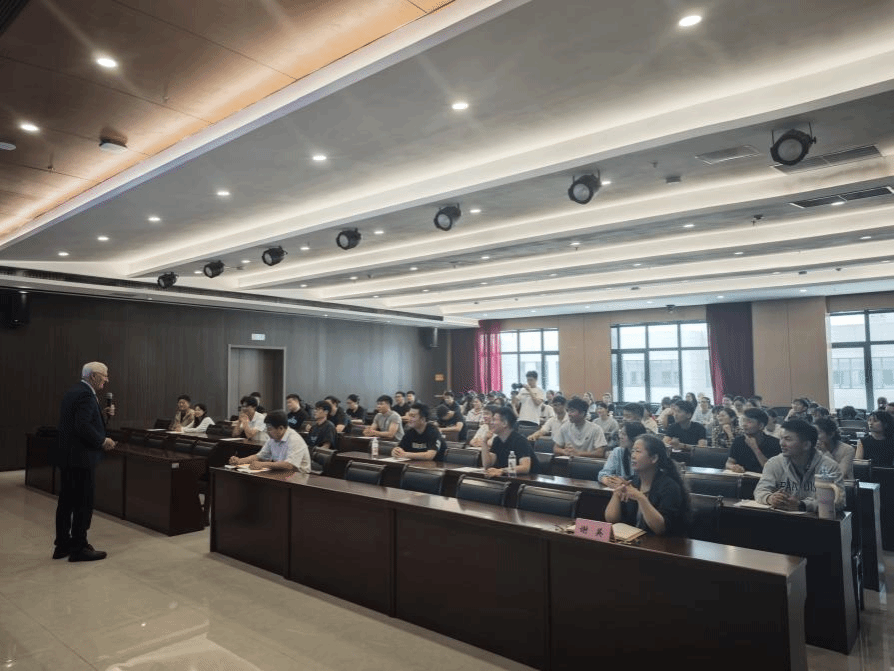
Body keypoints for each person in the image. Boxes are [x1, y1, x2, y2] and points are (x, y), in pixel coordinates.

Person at [51, 361, 117, 561]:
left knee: (66, 502)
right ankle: (79, 547)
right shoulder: (86, 395)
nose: (107, 379)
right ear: (93, 376)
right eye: (104, 375)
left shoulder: (74, 391)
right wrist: (102, 441)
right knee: (83, 503)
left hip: (68, 457)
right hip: (81, 459)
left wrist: (101, 414)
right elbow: (82, 426)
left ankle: (62, 545)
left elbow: (78, 422)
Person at [604, 434, 689, 536]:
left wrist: (641, 498)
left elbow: (660, 528)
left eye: (638, 451)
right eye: (633, 451)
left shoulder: (670, 487)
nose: (633, 456)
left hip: (661, 543)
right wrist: (616, 494)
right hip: (633, 540)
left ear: (654, 458)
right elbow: (611, 520)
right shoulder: (632, 482)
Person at [754, 420, 844, 512]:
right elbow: (760, 491)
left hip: (816, 519)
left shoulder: (829, 466)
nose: (781, 443)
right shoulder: (774, 463)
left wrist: (802, 505)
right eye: (781, 438)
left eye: (788, 439)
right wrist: (770, 498)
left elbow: (839, 501)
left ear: (806, 445)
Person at [228, 410, 311, 472]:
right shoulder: (272, 438)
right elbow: (260, 456)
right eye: (267, 428)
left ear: (281, 428)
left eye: (270, 429)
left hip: (300, 476)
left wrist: (263, 464)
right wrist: (240, 461)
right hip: (282, 473)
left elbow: (290, 465)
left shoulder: (294, 439)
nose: (267, 431)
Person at [481, 406, 539, 476]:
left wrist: (502, 470)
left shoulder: (520, 441)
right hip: (508, 477)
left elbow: (525, 468)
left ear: (505, 423)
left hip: (527, 479)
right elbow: (487, 465)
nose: (491, 423)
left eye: (494, 420)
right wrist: (484, 442)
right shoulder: (497, 440)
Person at [725, 408, 780, 474]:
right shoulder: (738, 440)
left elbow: (771, 470)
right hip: (742, 478)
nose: (744, 424)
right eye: (743, 421)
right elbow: (729, 462)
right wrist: (734, 467)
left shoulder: (775, 443)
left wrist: (755, 448)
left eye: (749, 422)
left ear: (761, 426)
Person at [599, 421, 648, 487]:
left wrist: (625, 483)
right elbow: (603, 474)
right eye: (620, 433)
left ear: (634, 437)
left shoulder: (645, 454)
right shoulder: (618, 451)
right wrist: (609, 481)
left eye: (624, 434)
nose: (620, 436)